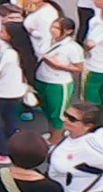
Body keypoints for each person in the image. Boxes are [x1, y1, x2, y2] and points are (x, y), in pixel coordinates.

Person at [0, 22, 37, 164]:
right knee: (11, 119)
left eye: (3, 31)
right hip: (16, 91)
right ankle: (8, 145)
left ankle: (3, 151)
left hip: (2, 92)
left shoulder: (9, 53)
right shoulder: (20, 51)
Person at [36, 17, 85, 145]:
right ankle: (52, 133)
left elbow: (79, 68)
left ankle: (55, 141)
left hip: (58, 84)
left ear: (68, 31)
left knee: (58, 115)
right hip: (42, 79)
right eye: (53, 26)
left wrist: (59, 66)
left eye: (57, 28)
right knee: (47, 110)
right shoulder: (47, 40)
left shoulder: (73, 48)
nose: (53, 30)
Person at [50, 102, 103, 192]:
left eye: (72, 119)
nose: (65, 119)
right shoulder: (71, 136)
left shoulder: (94, 147)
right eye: (66, 115)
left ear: (88, 126)